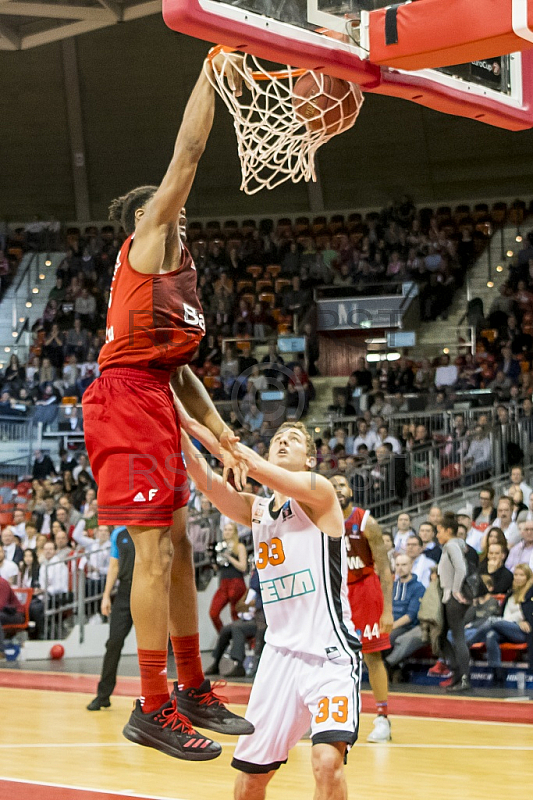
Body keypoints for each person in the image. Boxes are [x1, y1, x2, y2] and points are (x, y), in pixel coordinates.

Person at [81, 51, 252, 761]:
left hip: (154, 395)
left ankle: (189, 687)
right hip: (124, 404)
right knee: (150, 558)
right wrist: (210, 75)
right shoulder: (147, 242)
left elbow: (179, 372)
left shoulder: (176, 281)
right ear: (148, 217)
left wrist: (224, 437)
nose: (178, 212)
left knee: (181, 550)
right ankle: (149, 707)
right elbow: (186, 151)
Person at [181, 420, 362, 799]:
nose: (282, 441)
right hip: (278, 657)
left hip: (329, 653)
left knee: (327, 762)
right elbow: (207, 481)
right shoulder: (258, 510)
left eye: (293, 439)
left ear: (309, 459)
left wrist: (207, 429)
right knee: (250, 781)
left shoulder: (320, 493)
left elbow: (258, 469)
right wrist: (175, 425)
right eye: (277, 438)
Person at [329, 473, 393, 743]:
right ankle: (331, 714)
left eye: (341, 485)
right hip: (336, 592)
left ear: (351, 492)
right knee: (331, 657)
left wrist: (387, 610)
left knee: (371, 656)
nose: (337, 489)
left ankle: (383, 718)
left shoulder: (367, 522)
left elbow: (385, 568)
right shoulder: (320, 522)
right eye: (331, 486)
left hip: (365, 590)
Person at [87, 526, 135, 710]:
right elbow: (114, 565)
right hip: (124, 592)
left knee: (152, 646)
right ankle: (103, 695)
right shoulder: (119, 533)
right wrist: (106, 595)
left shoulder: (150, 526)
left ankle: (156, 698)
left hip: (146, 590)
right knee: (113, 642)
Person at [469, 565, 533, 685]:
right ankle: (497, 674)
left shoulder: (530, 595)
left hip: (521, 631)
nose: (518, 578)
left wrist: (525, 621)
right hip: (505, 627)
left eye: (522, 575)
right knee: (491, 635)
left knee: (493, 621)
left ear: (528, 577)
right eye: (516, 575)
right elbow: (505, 615)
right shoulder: (510, 593)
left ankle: (468, 642)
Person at [206, 569, 265, 679]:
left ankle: (239, 665)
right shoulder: (252, 588)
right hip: (250, 617)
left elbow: (255, 586)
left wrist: (249, 604)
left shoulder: (261, 579)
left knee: (238, 628)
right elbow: (241, 605)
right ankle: (216, 662)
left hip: (261, 620)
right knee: (226, 630)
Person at [436, 512, 471, 693]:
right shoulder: (453, 545)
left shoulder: (451, 545)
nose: (437, 535)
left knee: (457, 637)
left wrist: (456, 590)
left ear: (448, 530)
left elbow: (461, 568)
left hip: (453, 597)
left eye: (439, 531)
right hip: (448, 596)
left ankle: (463, 677)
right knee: (441, 636)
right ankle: (457, 673)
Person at [209, 522, 248, 632]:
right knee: (213, 612)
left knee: (236, 614)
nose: (227, 532)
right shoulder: (220, 547)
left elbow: (243, 567)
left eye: (230, 530)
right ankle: (224, 637)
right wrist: (213, 558)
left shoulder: (239, 547)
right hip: (223, 583)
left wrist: (229, 557)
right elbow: (218, 568)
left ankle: (243, 640)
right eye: (225, 529)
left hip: (236, 582)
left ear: (235, 532)